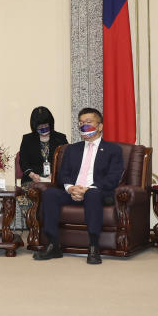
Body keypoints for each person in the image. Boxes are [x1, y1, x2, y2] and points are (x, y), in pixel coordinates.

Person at [33, 107, 124, 265]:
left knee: (92, 194)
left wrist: (88, 189)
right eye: (81, 123)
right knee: (49, 194)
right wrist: (70, 188)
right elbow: (63, 174)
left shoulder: (113, 150)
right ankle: (53, 245)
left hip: (97, 192)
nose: (84, 126)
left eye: (88, 122)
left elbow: (113, 177)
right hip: (73, 192)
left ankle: (94, 247)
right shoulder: (71, 149)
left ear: (100, 126)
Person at [18, 106, 68, 188]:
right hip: (32, 180)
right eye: (40, 126)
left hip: (55, 181)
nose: (43, 128)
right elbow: (23, 162)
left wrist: (55, 175)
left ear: (50, 123)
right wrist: (32, 175)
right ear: (34, 126)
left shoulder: (60, 138)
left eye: (45, 125)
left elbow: (66, 161)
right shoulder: (27, 139)